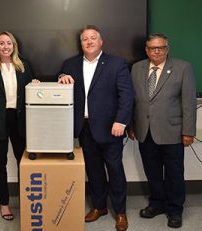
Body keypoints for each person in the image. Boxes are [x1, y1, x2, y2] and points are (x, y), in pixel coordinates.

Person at [58, 25, 133, 231]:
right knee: (93, 170)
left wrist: (122, 121)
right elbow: (62, 83)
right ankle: (99, 207)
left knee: (115, 170)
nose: (89, 41)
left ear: (101, 42)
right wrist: (61, 78)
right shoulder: (70, 64)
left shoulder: (117, 64)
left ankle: (120, 212)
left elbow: (126, 96)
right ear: (80, 43)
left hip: (111, 128)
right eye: (85, 39)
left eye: (93, 38)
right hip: (84, 128)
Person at [128, 33, 196, 228]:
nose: (156, 51)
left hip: (172, 132)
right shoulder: (136, 68)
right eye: (152, 48)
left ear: (167, 48)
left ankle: (175, 210)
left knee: (174, 173)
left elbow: (189, 103)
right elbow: (132, 101)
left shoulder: (183, 68)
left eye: (160, 48)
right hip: (144, 131)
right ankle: (157, 203)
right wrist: (132, 126)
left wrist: (188, 131)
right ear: (146, 50)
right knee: (152, 172)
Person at [0, 31, 38, 221]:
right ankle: (4, 204)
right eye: (1, 43)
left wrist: (35, 85)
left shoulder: (24, 66)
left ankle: (25, 201)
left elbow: (32, 93)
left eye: (9, 43)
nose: (5, 46)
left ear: (14, 45)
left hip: (20, 122)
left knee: (24, 164)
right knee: (0, 164)